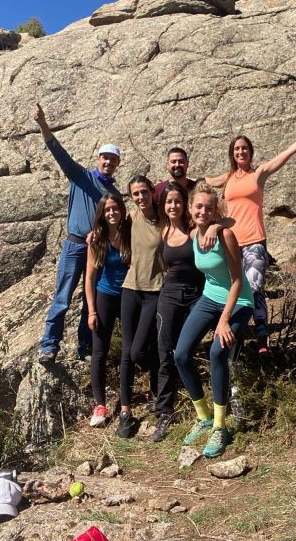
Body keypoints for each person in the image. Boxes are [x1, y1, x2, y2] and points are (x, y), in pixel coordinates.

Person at [205, 116, 296, 353]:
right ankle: (235, 336)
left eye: (244, 148)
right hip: (231, 243)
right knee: (232, 290)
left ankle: (262, 336)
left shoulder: (258, 174)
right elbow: (202, 182)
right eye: (236, 149)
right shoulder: (228, 178)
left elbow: (287, 154)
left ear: (250, 152)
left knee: (254, 288)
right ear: (232, 154)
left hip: (254, 241)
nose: (240, 152)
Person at [34, 103, 122, 364]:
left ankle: (84, 347)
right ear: (98, 160)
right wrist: (42, 124)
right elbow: (58, 152)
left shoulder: (115, 196)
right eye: (105, 157)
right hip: (74, 246)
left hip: (98, 249)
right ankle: (49, 345)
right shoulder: (81, 177)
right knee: (62, 296)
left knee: (89, 300)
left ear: (117, 164)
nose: (108, 162)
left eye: (113, 159)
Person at [174, 183, 254, 458]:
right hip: (209, 298)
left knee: (217, 352)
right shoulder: (195, 233)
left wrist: (224, 320)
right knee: (181, 355)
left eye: (209, 208)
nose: (203, 211)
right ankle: (204, 416)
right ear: (190, 207)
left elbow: (237, 281)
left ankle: (220, 426)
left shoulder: (225, 234)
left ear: (215, 210)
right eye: (198, 206)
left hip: (239, 302)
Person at [150, 182, 205, 442]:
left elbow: (222, 222)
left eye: (177, 202)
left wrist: (215, 225)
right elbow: (164, 265)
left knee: (195, 350)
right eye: (169, 202)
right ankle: (164, 412)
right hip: (170, 294)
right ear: (164, 206)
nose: (173, 206)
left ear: (185, 205)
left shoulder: (194, 230)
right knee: (165, 353)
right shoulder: (163, 232)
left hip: (196, 293)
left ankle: (210, 405)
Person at [116, 175, 164, 438]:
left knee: (141, 352)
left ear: (151, 192)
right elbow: (108, 226)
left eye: (144, 192)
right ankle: (125, 412)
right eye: (135, 194)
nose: (140, 197)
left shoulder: (163, 219)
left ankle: (158, 393)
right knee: (127, 352)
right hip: (130, 287)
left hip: (154, 290)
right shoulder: (130, 218)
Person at [83, 194, 131, 427]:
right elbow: (89, 279)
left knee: (130, 350)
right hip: (105, 295)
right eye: (107, 210)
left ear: (121, 210)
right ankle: (100, 405)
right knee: (99, 351)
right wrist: (91, 311)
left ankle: (127, 399)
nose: (112, 213)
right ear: (102, 214)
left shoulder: (130, 233)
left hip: (129, 295)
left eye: (115, 209)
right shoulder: (96, 240)